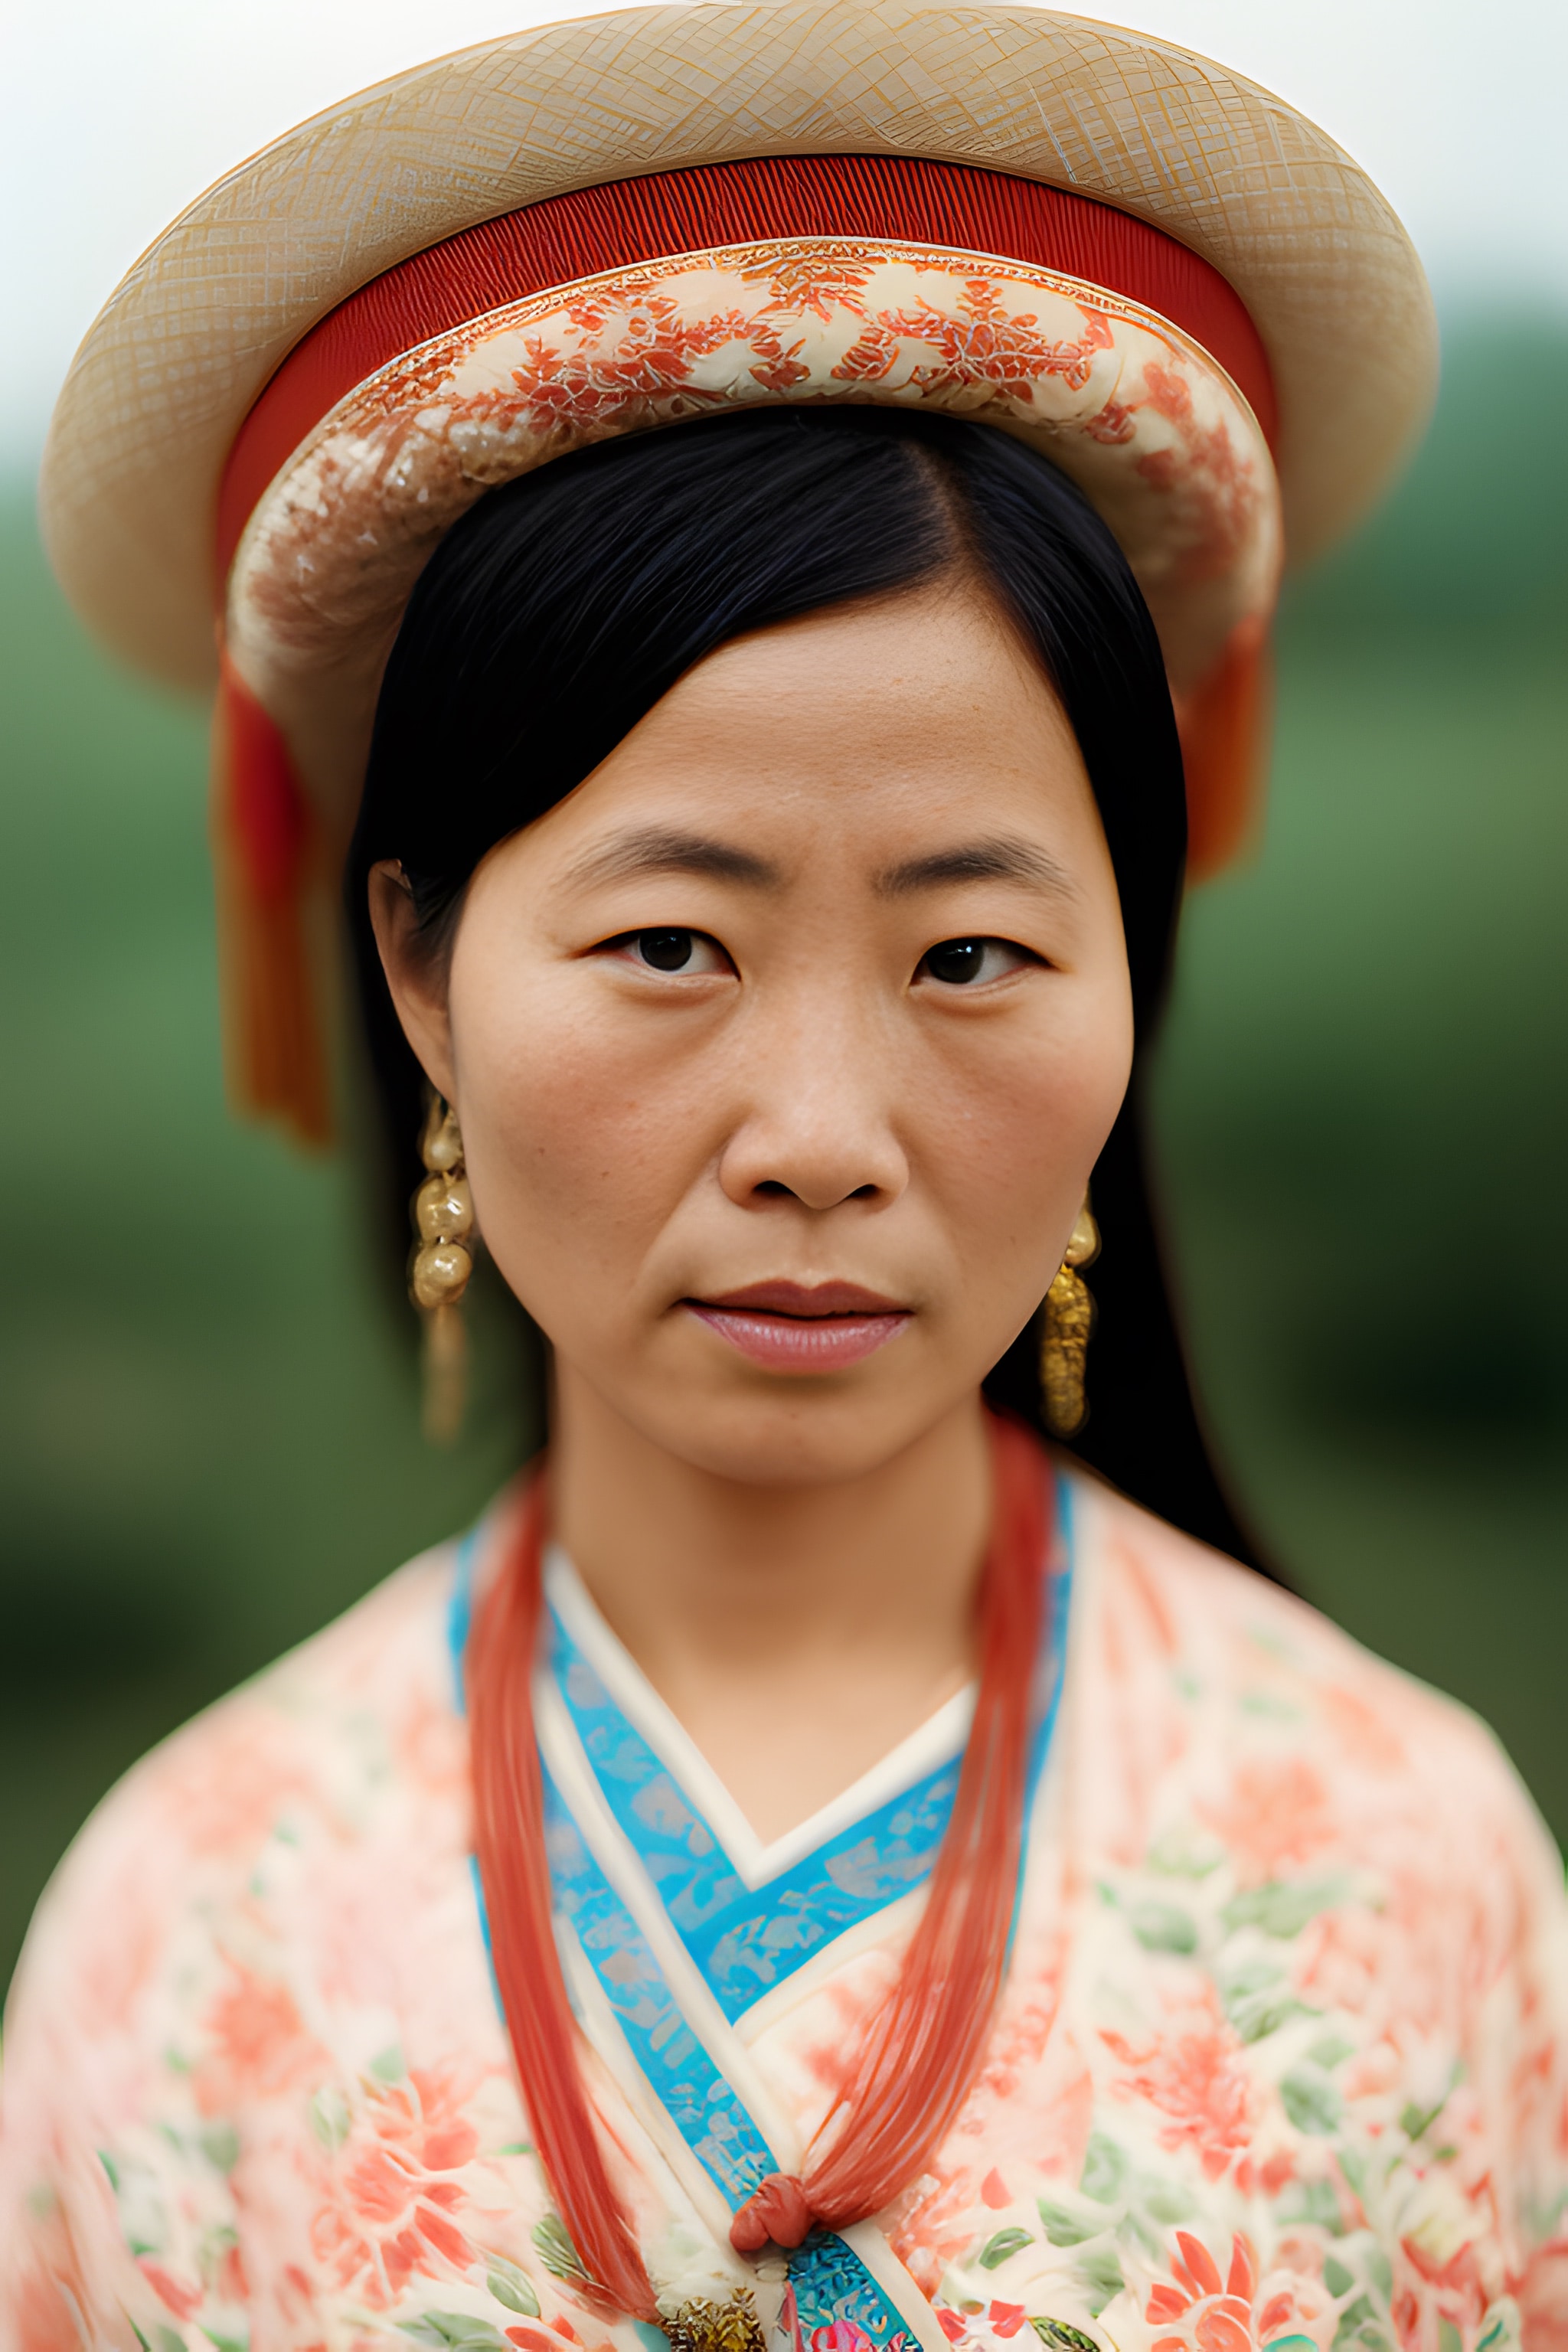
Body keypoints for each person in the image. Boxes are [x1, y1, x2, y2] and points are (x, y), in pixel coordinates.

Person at [4, 6, 1565, 2348]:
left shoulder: (1403, 1865)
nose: (821, 1140)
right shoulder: (185, 1922)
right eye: (666, 945)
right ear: (418, 965)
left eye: (970, 951)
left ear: (1133, 968)